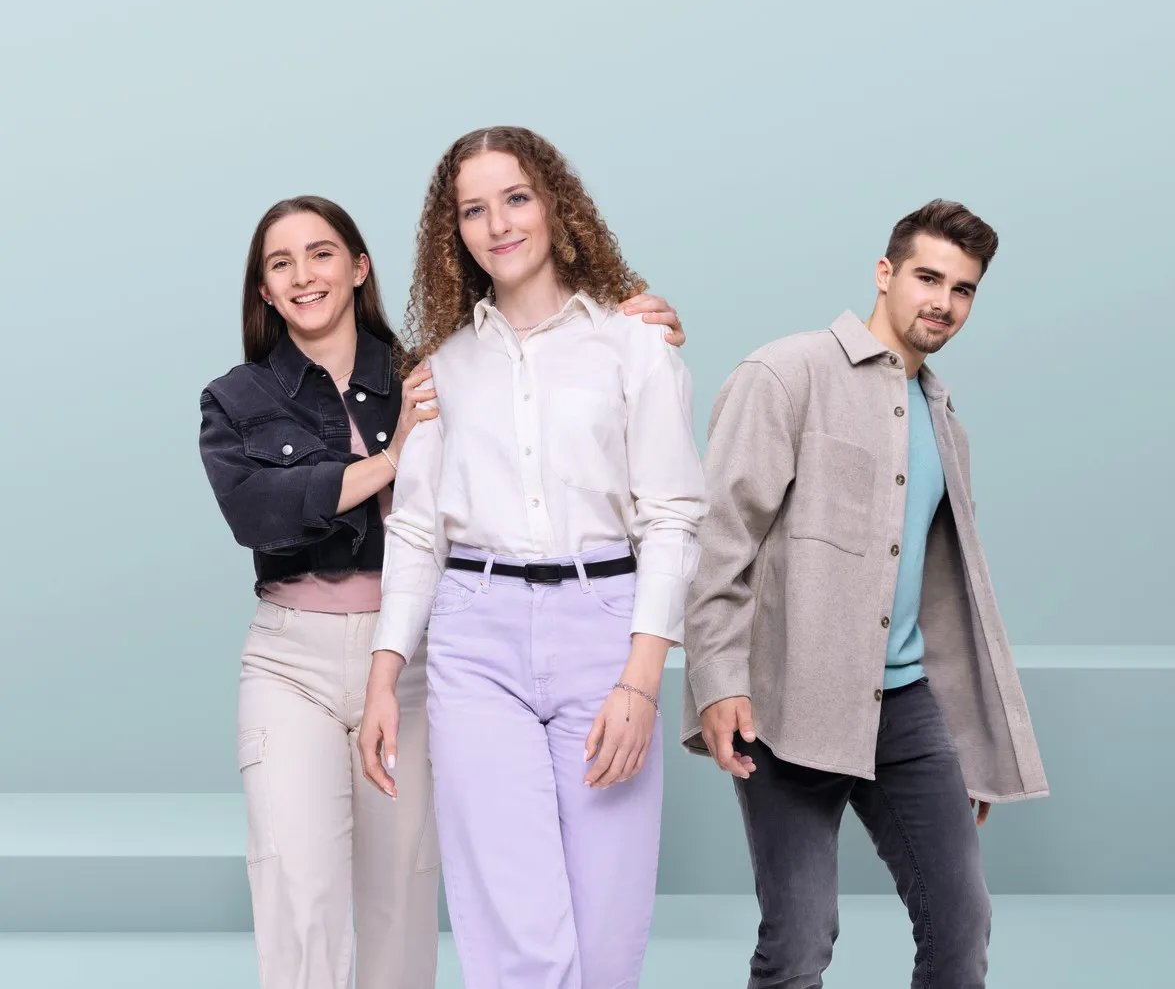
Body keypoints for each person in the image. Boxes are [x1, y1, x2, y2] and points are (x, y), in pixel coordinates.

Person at [198, 193, 687, 989]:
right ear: (264, 290)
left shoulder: (431, 368)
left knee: (403, 890)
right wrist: (390, 461)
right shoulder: (236, 397)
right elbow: (258, 514)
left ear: (359, 267)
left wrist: (634, 334)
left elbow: (536, 402)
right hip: (292, 660)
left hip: (421, 652)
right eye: (280, 264)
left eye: (321, 254)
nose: (302, 275)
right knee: (298, 886)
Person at [358, 127, 707, 989]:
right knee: (518, 936)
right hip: (475, 638)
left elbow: (672, 516)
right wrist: (383, 672)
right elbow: (415, 532)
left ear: (555, 204)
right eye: (472, 209)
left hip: (606, 632)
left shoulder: (634, 343)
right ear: (453, 232)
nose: (498, 224)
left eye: (515, 198)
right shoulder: (441, 368)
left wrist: (641, 680)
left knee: (606, 937)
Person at [682, 199, 1048, 988]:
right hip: (788, 702)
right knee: (799, 939)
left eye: (962, 288)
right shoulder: (785, 373)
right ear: (884, 274)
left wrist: (968, 741)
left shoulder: (942, 418)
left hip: (906, 707)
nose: (942, 302)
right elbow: (719, 539)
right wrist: (716, 680)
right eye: (926, 277)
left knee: (960, 925)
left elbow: (941, 593)